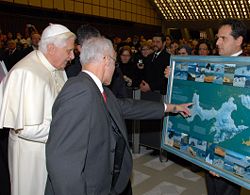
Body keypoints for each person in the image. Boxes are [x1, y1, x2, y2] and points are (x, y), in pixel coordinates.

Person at [45, 36, 192, 195]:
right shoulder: (79, 91)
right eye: (115, 63)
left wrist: (171, 107)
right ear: (106, 60)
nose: (115, 68)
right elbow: (62, 161)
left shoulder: (96, 88)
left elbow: (128, 106)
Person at [0, 23, 76, 195]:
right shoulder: (27, 73)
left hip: (51, 148)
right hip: (30, 155)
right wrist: (70, 129)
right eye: (69, 51)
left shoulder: (57, 68)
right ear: (51, 48)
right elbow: (27, 128)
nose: (72, 56)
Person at [205, 18, 247, 195]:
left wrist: (223, 159)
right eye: (217, 38)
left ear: (239, 41)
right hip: (212, 135)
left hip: (233, 141)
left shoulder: (247, 68)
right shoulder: (214, 64)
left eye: (223, 38)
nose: (217, 42)